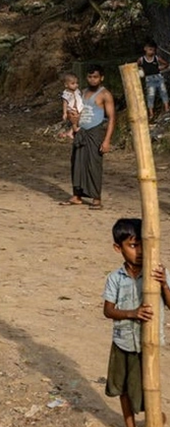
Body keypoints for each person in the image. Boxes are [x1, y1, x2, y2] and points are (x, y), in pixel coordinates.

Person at [102, 217, 170, 427]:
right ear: (118, 248)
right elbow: (108, 310)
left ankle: (156, 421)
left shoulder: (157, 274)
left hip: (147, 345)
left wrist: (164, 284)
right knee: (122, 389)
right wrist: (133, 313)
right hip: (122, 342)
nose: (139, 251)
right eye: (132, 245)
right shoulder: (115, 278)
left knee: (147, 388)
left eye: (142, 245)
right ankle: (129, 424)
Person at [62, 65, 115, 210]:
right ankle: (77, 196)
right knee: (77, 163)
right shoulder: (81, 93)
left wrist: (107, 140)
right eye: (90, 77)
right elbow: (74, 109)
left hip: (95, 132)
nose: (92, 80)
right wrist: (72, 125)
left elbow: (111, 118)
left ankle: (96, 198)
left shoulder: (105, 94)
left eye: (95, 77)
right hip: (81, 131)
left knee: (94, 165)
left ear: (101, 78)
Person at [138, 40, 170, 122]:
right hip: (149, 79)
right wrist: (141, 71)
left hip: (158, 77)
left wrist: (160, 68)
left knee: (163, 92)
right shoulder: (141, 59)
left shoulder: (156, 58)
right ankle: (151, 114)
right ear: (145, 49)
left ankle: (167, 109)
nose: (152, 52)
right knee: (150, 96)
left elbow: (166, 64)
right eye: (150, 49)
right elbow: (135, 67)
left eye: (153, 50)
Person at [59, 72, 84, 140]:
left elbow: (80, 98)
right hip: (71, 110)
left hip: (79, 108)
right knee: (74, 119)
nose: (76, 85)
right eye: (73, 83)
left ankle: (70, 132)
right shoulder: (66, 94)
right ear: (66, 85)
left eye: (77, 83)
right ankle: (75, 129)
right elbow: (65, 104)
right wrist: (64, 113)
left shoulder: (77, 91)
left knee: (81, 117)